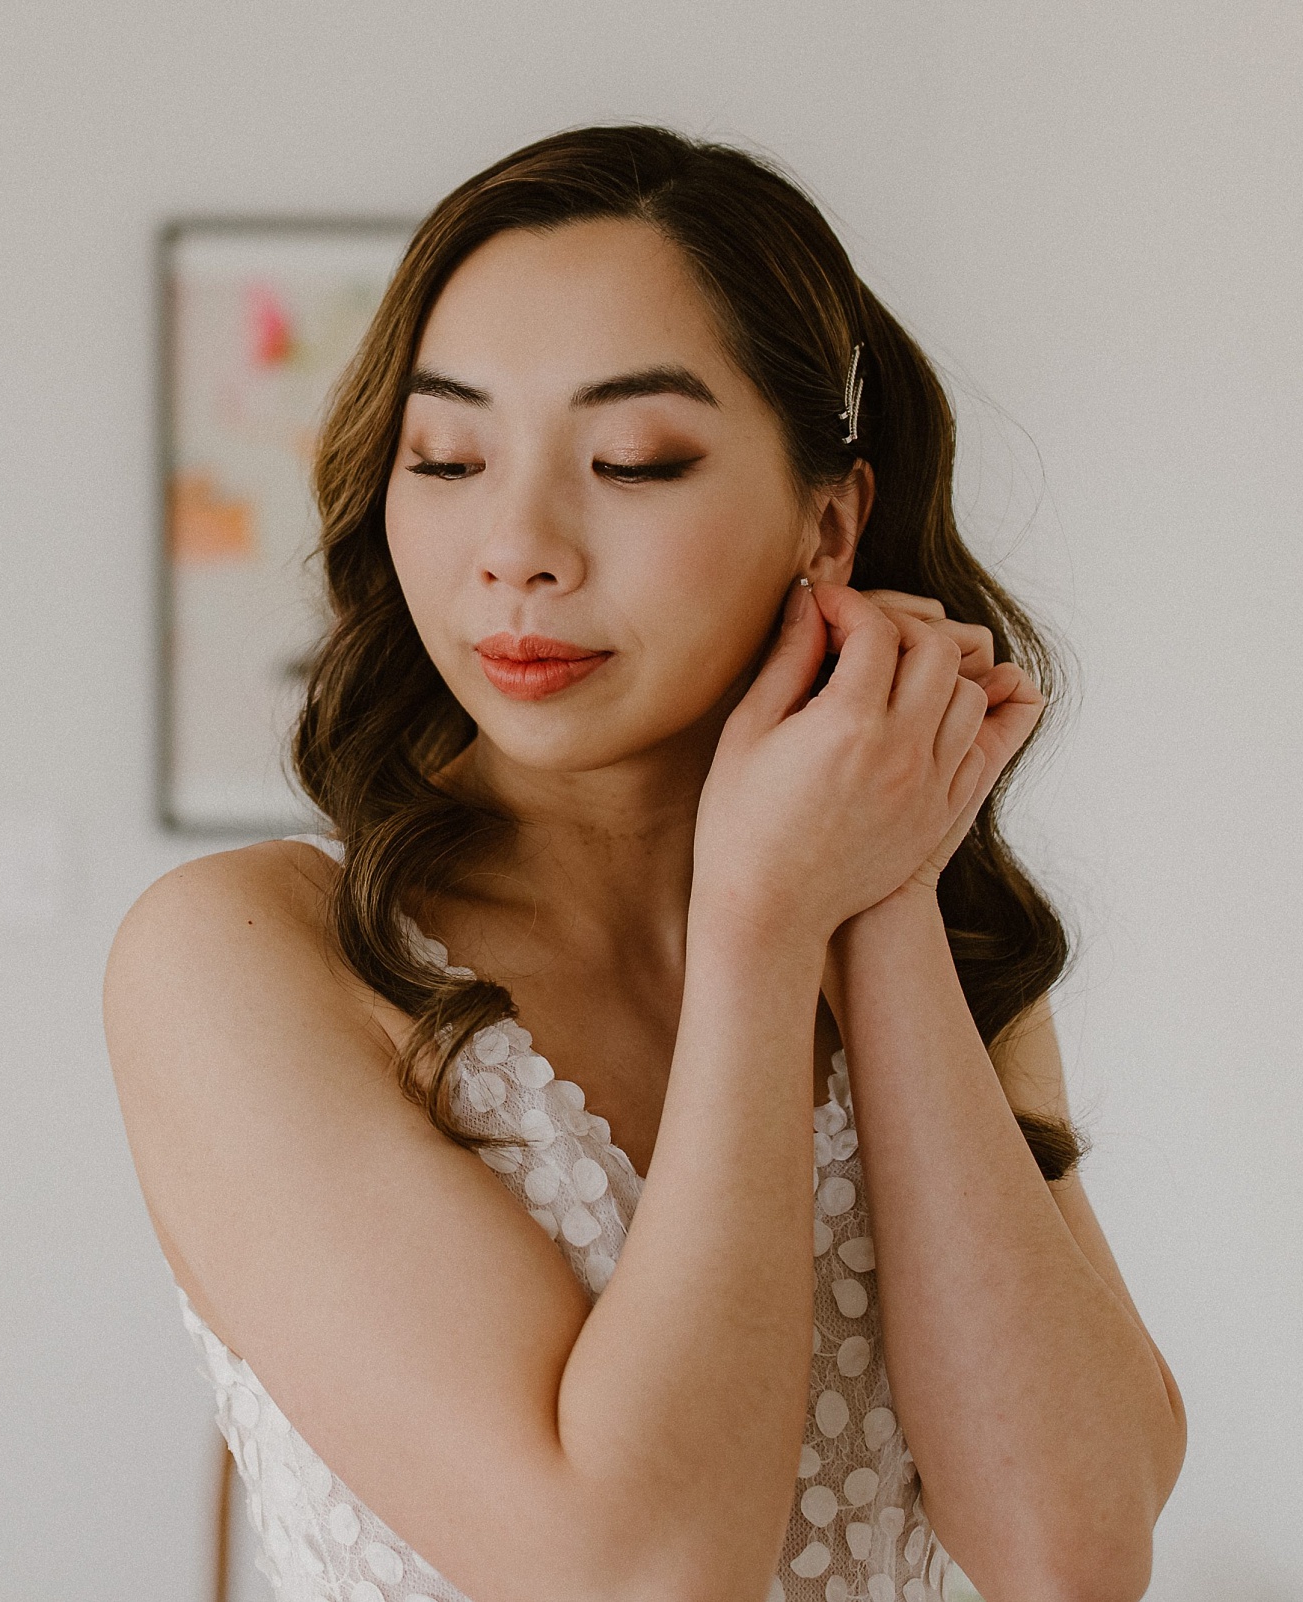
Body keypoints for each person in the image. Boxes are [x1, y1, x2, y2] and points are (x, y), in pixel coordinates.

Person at [104, 124, 1185, 1602]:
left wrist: (878, 900)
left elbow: (1072, 1552)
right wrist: (758, 924)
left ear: (830, 519)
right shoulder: (241, 955)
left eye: (634, 459)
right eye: (450, 455)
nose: (518, 545)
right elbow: (641, 1580)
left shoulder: (927, 935)